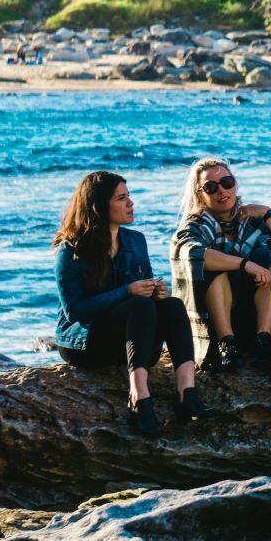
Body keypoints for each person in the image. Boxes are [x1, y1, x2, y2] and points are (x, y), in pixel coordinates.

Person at [54, 170, 210, 438]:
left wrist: (156, 292)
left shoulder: (135, 240)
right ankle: (139, 395)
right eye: (121, 198)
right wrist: (127, 291)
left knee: (171, 304)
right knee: (138, 305)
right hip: (87, 345)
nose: (131, 203)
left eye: (129, 196)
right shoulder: (72, 249)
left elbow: (145, 293)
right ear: (100, 206)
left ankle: (187, 392)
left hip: (133, 339)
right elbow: (75, 311)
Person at [171, 158, 271, 371]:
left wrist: (268, 213)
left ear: (235, 184)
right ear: (200, 194)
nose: (221, 190)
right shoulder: (196, 225)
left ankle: (262, 341)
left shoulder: (252, 219)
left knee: (268, 255)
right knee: (215, 265)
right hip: (212, 328)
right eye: (211, 187)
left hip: (249, 316)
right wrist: (245, 264)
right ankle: (227, 345)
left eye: (226, 182)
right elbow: (192, 254)